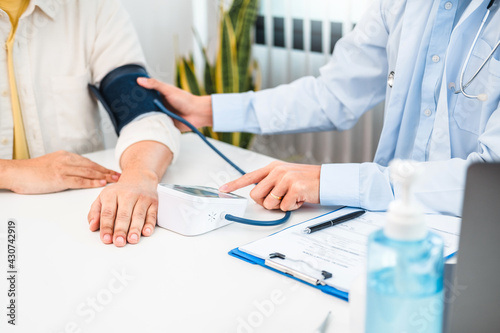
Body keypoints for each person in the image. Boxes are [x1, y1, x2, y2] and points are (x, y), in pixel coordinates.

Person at [138, 0, 500, 217]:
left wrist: (329, 181)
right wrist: (210, 110)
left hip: (475, 237)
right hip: (389, 225)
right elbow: (334, 94)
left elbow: (490, 181)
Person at [0, 0, 180, 246]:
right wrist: (10, 172)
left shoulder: (94, 8)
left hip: (73, 224)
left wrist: (139, 175)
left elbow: (143, 113)